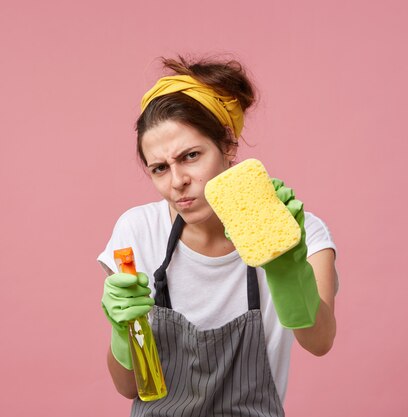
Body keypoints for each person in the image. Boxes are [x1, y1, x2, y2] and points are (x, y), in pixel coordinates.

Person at [98, 55, 339, 416]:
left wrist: (287, 271)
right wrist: (123, 333)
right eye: (160, 168)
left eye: (191, 156)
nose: (177, 181)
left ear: (228, 148)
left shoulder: (297, 229)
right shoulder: (137, 232)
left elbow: (319, 342)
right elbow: (128, 386)